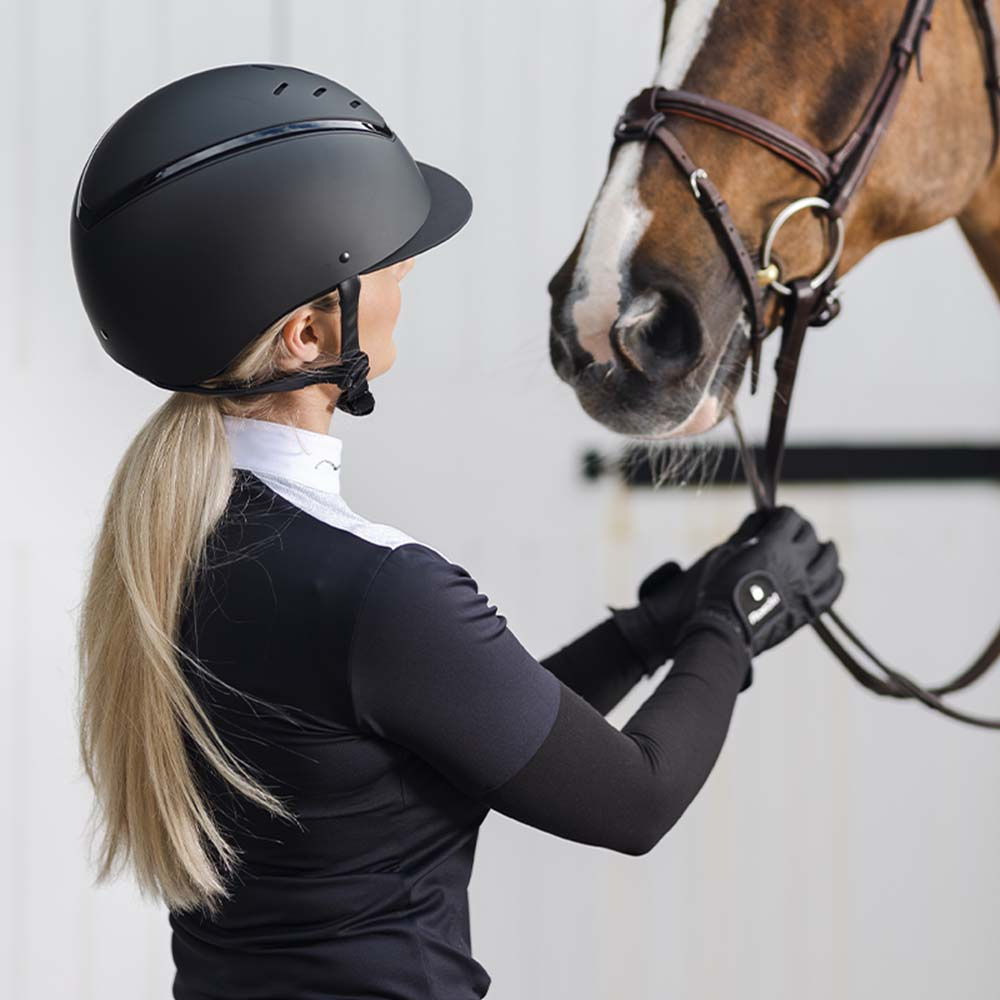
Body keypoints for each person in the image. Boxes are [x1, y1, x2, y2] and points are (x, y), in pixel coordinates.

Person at [71, 64, 844, 1000]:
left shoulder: (174, 547)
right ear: (309, 336)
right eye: (380, 262)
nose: (403, 269)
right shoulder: (377, 592)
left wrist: (650, 631)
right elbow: (635, 799)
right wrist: (735, 620)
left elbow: (464, 728)